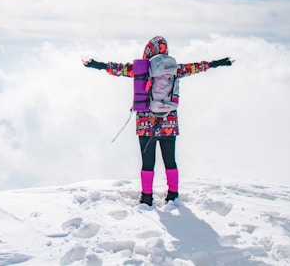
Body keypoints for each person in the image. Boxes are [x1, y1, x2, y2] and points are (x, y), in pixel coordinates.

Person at [82, 36, 233, 206]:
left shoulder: (141, 69)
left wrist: (98, 65)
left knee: (148, 162)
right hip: (169, 123)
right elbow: (195, 67)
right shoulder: (174, 68)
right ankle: (173, 194)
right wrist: (217, 63)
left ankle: (147, 197)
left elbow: (120, 69)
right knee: (170, 160)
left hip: (146, 124)